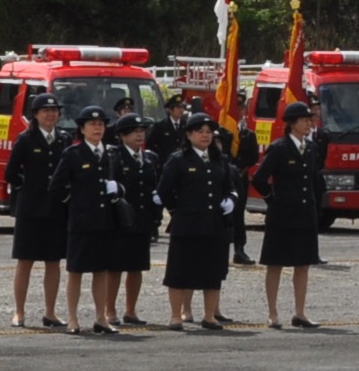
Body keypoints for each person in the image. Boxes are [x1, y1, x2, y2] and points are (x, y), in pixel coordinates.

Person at [159, 116, 245, 329]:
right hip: (187, 224)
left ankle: (209, 315)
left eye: (208, 131)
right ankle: (176, 316)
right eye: (200, 131)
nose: (205, 135)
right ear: (189, 135)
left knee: (212, 271)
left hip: (214, 223)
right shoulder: (179, 159)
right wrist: (176, 211)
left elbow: (230, 186)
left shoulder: (219, 159)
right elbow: (164, 189)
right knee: (180, 270)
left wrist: (231, 200)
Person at [249, 103, 328, 328]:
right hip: (283, 215)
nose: (309, 123)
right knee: (276, 264)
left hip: (305, 214)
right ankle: (273, 312)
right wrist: (273, 200)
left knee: (303, 264)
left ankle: (300, 312)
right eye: (304, 120)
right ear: (292, 123)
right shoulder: (280, 148)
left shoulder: (311, 148)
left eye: (309, 119)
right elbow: (259, 179)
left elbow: (313, 179)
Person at [55, 107, 126, 334]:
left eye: (101, 125)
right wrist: (75, 202)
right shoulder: (73, 154)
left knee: (102, 271)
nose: (97, 128)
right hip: (82, 222)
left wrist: (118, 189)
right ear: (82, 129)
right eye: (92, 124)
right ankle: (73, 318)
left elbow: (124, 183)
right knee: (75, 271)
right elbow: (56, 186)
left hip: (106, 221)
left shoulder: (112, 154)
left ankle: (100, 317)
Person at [7, 94, 68, 329]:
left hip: (56, 208)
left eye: (54, 110)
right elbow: (11, 173)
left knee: (53, 262)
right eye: (45, 110)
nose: (50, 114)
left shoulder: (63, 139)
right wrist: (28, 189)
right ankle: (19, 312)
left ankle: (50, 312)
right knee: (25, 261)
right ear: (35, 114)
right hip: (31, 209)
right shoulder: (26, 139)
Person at [115, 115, 162, 325]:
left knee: (136, 267)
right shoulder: (115, 156)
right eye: (134, 131)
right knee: (114, 268)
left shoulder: (150, 158)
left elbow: (154, 184)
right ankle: (109, 311)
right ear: (122, 135)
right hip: (120, 220)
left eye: (142, 130)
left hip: (143, 219)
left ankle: (130, 310)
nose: (139, 134)